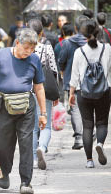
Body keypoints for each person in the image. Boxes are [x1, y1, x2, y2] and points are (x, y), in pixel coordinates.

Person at [0, 28, 47, 194]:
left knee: (27, 144)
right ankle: (4, 173)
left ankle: (26, 183)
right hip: (2, 106)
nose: (29, 51)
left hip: (26, 107)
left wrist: (43, 113)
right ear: (17, 42)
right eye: (26, 47)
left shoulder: (34, 59)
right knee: (4, 144)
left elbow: (39, 87)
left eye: (32, 48)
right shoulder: (0, 56)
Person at [69, 19, 111, 168]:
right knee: (102, 122)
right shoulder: (107, 48)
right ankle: (99, 143)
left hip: (83, 92)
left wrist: (71, 94)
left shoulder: (79, 52)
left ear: (83, 35)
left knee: (87, 126)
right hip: (104, 91)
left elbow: (74, 76)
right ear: (98, 31)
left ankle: (89, 161)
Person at [27, 19, 58, 170]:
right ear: (41, 33)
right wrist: (56, 93)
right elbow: (53, 70)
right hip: (44, 89)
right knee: (45, 126)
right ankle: (43, 148)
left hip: (27, 90)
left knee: (33, 128)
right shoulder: (46, 47)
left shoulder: (23, 48)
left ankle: (33, 158)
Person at [59, 15, 88, 150]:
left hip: (72, 81)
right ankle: (91, 133)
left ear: (75, 28)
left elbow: (61, 61)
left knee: (75, 109)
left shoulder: (67, 43)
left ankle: (78, 138)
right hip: (91, 82)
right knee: (89, 108)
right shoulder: (92, 42)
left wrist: (63, 72)